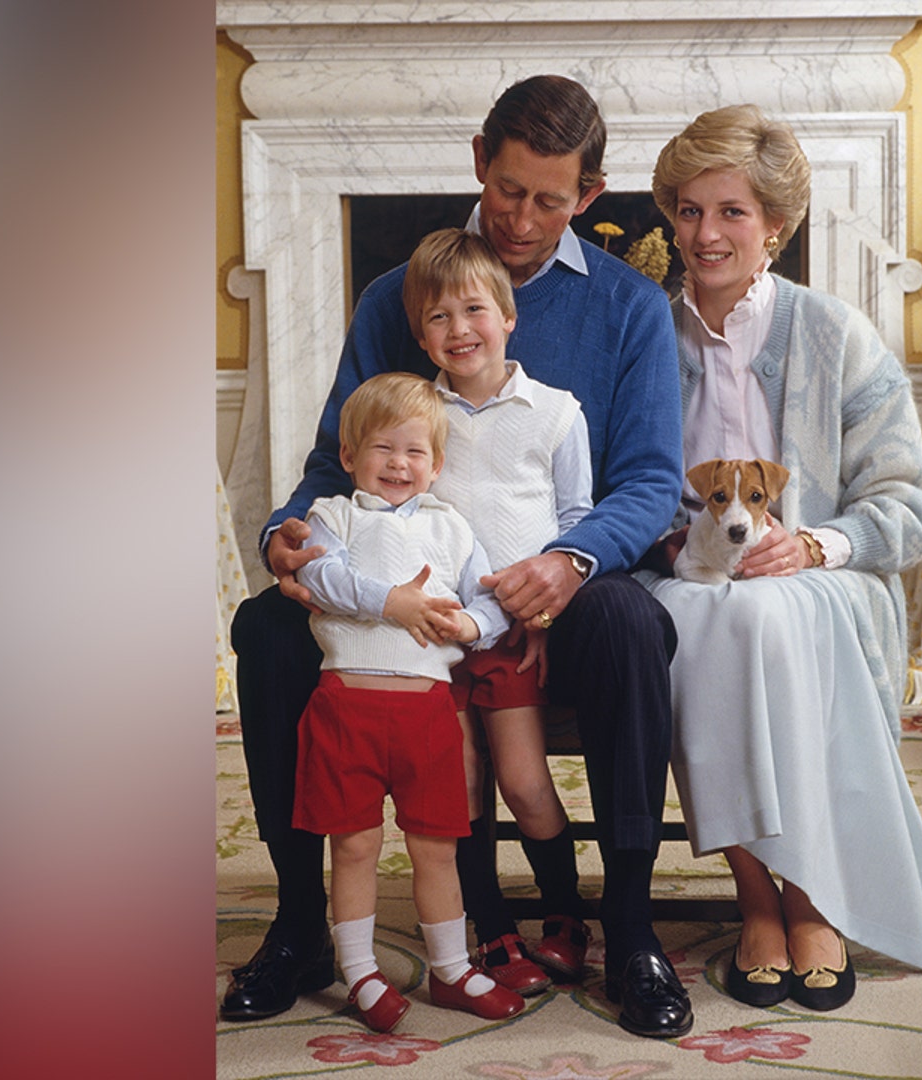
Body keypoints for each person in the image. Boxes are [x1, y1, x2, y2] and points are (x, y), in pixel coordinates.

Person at [222, 75, 692, 1039]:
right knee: (265, 627)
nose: (520, 219)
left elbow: (648, 482)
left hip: (565, 582)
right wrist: (285, 531)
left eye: (549, 200)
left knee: (631, 622)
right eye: (508, 188)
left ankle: (629, 924)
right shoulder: (399, 295)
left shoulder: (630, 308)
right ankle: (303, 922)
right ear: (479, 160)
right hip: (413, 587)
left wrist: (569, 562)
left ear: (589, 196)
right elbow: (337, 459)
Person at [638, 104, 922, 1011]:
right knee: (703, 615)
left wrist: (812, 543)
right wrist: (671, 542)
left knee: (763, 614)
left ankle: (808, 895)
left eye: (731, 212)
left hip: (824, 583)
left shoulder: (834, 333)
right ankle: (756, 893)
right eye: (690, 211)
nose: (706, 234)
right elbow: (611, 484)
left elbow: (910, 506)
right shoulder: (645, 335)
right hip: (691, 579)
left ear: (775, 223)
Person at [289, 372, 526, 1031]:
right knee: (355, 846)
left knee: (436, 847)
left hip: (427, 715)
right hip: (348, 709)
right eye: (382, 448)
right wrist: (391, 602)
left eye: (415, 451)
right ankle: (360, 972)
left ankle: (450, 969)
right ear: (349, 456)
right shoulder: (332, 516)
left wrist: (470, 626)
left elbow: (490, 601)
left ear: (437, 464)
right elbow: (321, 576)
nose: (398, 464)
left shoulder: (453, 528)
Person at [401, 228, 595, 997]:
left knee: (523, 781)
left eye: (474, 309)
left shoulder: (555, 413)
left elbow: (577, 521)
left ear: (509, 317)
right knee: (462, 780)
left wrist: (546, 617)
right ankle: (492, 926)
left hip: (517, 632)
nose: (459, 330)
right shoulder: (418, 417)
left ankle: (565, 912)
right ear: (421, 335)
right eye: (438, 317)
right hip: (438, 635)